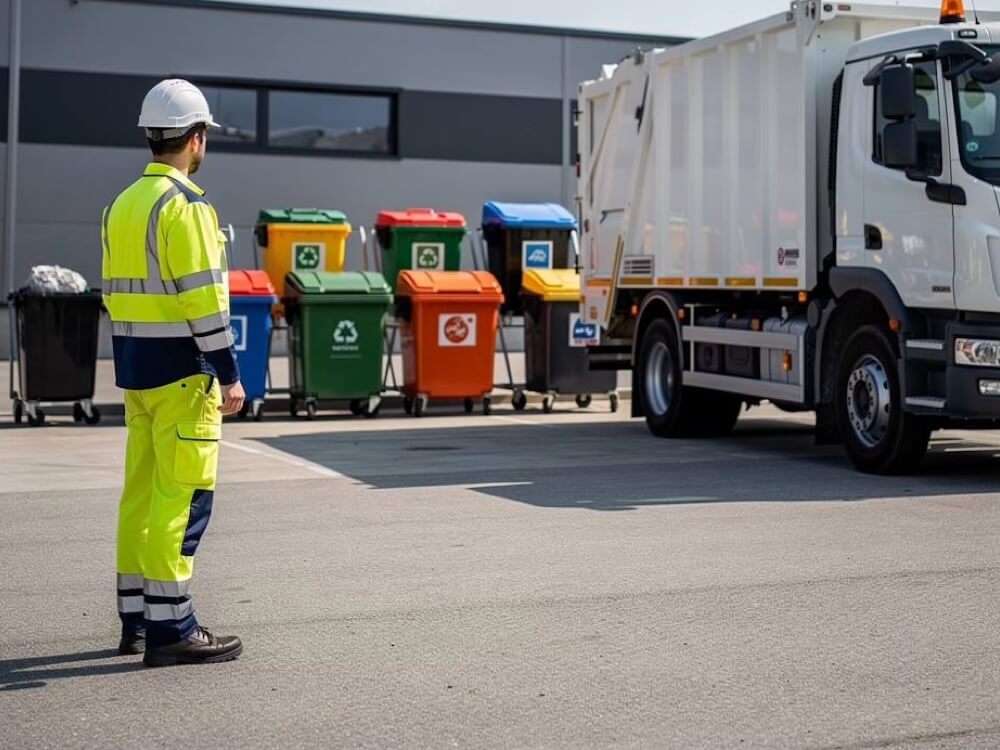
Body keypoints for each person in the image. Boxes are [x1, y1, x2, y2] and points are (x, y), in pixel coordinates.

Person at [102, 79, 244, 667]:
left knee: (140, 496)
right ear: (196, 138)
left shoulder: (121, 205)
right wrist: (228, 372)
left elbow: (113, 295)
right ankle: (173, 628)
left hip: (137, 373)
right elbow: (204, 301)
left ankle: (136, 619)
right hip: (185, 375)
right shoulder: (185, 208)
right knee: (181, 500)